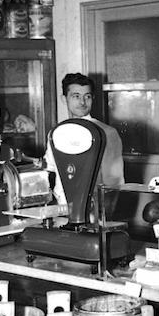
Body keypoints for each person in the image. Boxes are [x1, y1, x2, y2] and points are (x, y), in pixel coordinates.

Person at [44, 73, 124, 216]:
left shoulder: (106, 133)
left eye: (87, 96)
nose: (82, 102)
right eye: (76, 96)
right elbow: (50, 169)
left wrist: (104, 217)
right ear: (64, 99)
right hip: (61, 210)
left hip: (93, 212)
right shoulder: (56, 133)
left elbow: (114, 182)